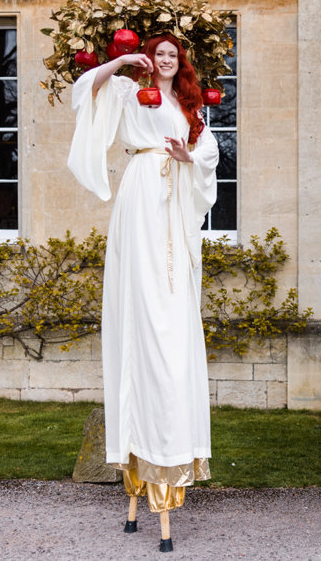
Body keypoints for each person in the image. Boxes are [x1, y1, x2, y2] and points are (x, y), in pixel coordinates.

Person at [67, 33, 219, 553]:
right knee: (141, 308)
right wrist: (119, 61)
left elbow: (210, 161)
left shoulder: (191, 106)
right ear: (149, 59)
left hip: (174, 199)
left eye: (174, 55)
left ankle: (170, 441)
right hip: (140, 197)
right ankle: (139, 451)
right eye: (158, 54)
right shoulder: (133, 92)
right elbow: (84, 91)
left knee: (172, 316)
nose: (166, 60)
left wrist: (186, 157)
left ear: (183, 63)